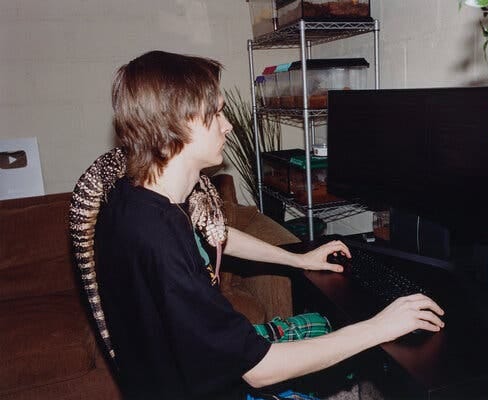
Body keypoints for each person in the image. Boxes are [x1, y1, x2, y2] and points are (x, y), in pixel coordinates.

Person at [93, 50, 445, 400]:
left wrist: (299, 259)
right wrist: (379, 327)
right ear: (180, 122)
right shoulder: (159, 237)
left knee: (325, 328)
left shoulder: (132, 197)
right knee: (357, 345)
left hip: (181, 371)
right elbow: (261, 370)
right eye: (216, 113)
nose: (227, 125)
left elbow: (216, 236)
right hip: (212, 387)